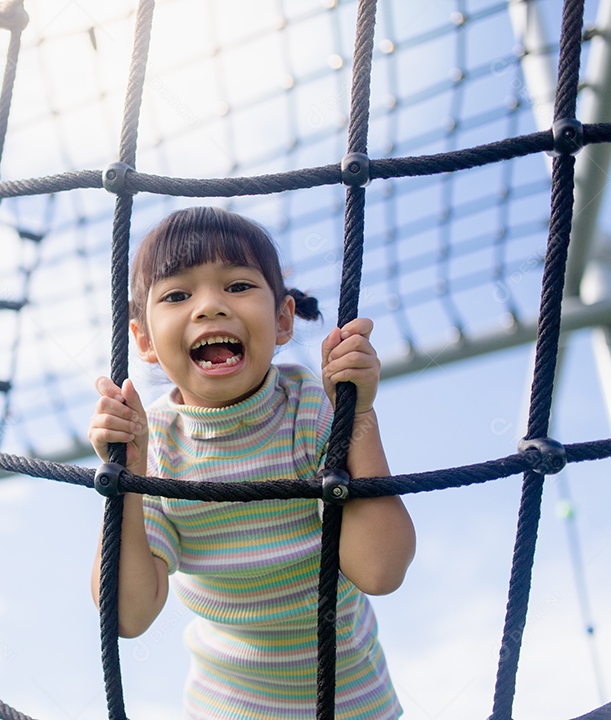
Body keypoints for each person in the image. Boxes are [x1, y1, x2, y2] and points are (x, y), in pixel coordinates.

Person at [87, 207, 415, 719]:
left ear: (283, 320)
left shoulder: (306, 407)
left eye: (238, 286)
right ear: (145, 340)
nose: (210, 306)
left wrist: (357, 413)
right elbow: (128, 613)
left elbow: (380, 568)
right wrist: (124, 479)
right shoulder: (158, 444)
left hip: (353, 706)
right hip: (228, 709)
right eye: (177, 295)